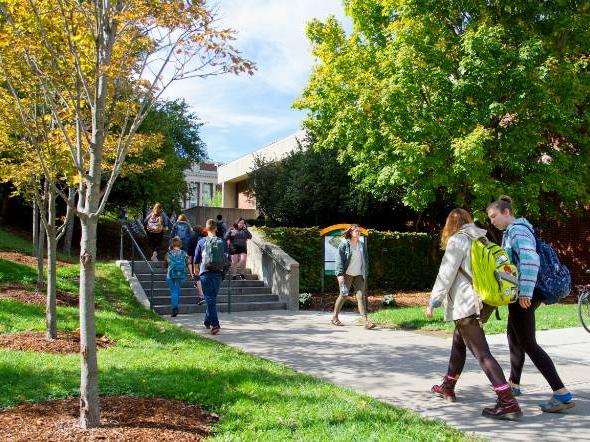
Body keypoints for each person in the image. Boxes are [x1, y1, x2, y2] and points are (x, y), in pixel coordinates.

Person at [426, 208, 522, 420]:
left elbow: (446, 273)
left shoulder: (458, 240)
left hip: (466, 303)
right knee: (459, 341)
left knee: (482, 353)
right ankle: (448, 386)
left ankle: (507, 402)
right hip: (483, 301)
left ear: (450, 224)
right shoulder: (482, 238)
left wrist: (433, 301)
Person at [487, 195, 575, 412]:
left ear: (506, 212)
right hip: (522, 294)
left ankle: (560, 392)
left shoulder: (517, 230)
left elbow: (529, 260)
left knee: (527, 342)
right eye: (490, 218)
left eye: (494, 216)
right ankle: (514, 384)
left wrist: (525, 292)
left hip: (525, 294)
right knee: (513, 335)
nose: (492, 221)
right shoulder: (513, 231)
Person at [331, 224, 375, 330]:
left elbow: (366, 260)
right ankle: (334, 317)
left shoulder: (361, 244)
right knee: (344, 295)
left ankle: (365, 321)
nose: (358, 232)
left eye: (359, 231)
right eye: (356, 231)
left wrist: (365, 272)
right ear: (351, 232)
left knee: (361, 296)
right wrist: (340, 275)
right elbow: (339, 261)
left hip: (359, 274)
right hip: (347, 274)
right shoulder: (344, 244)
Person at [194, 219, 226, 335]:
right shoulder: (221, 241)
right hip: (218, 273)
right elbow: (227, 258)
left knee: (209, 299)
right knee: (211, 298)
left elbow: (196, 259)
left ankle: (215, 324)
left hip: (205, 273)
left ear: (206, 229)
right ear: (216, 229)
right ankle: (207, 321)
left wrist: (195, 269)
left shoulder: (201, 241)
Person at [165, 236, 189, 317]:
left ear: (172, 244)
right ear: (180, 244)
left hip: (171, 274)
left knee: (173, 291)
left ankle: (174, 308)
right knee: (177, 290)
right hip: (181, 274)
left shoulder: (169, 253)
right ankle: (176, 307)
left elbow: (167, 263)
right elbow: (188, 262)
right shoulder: (184, 253)